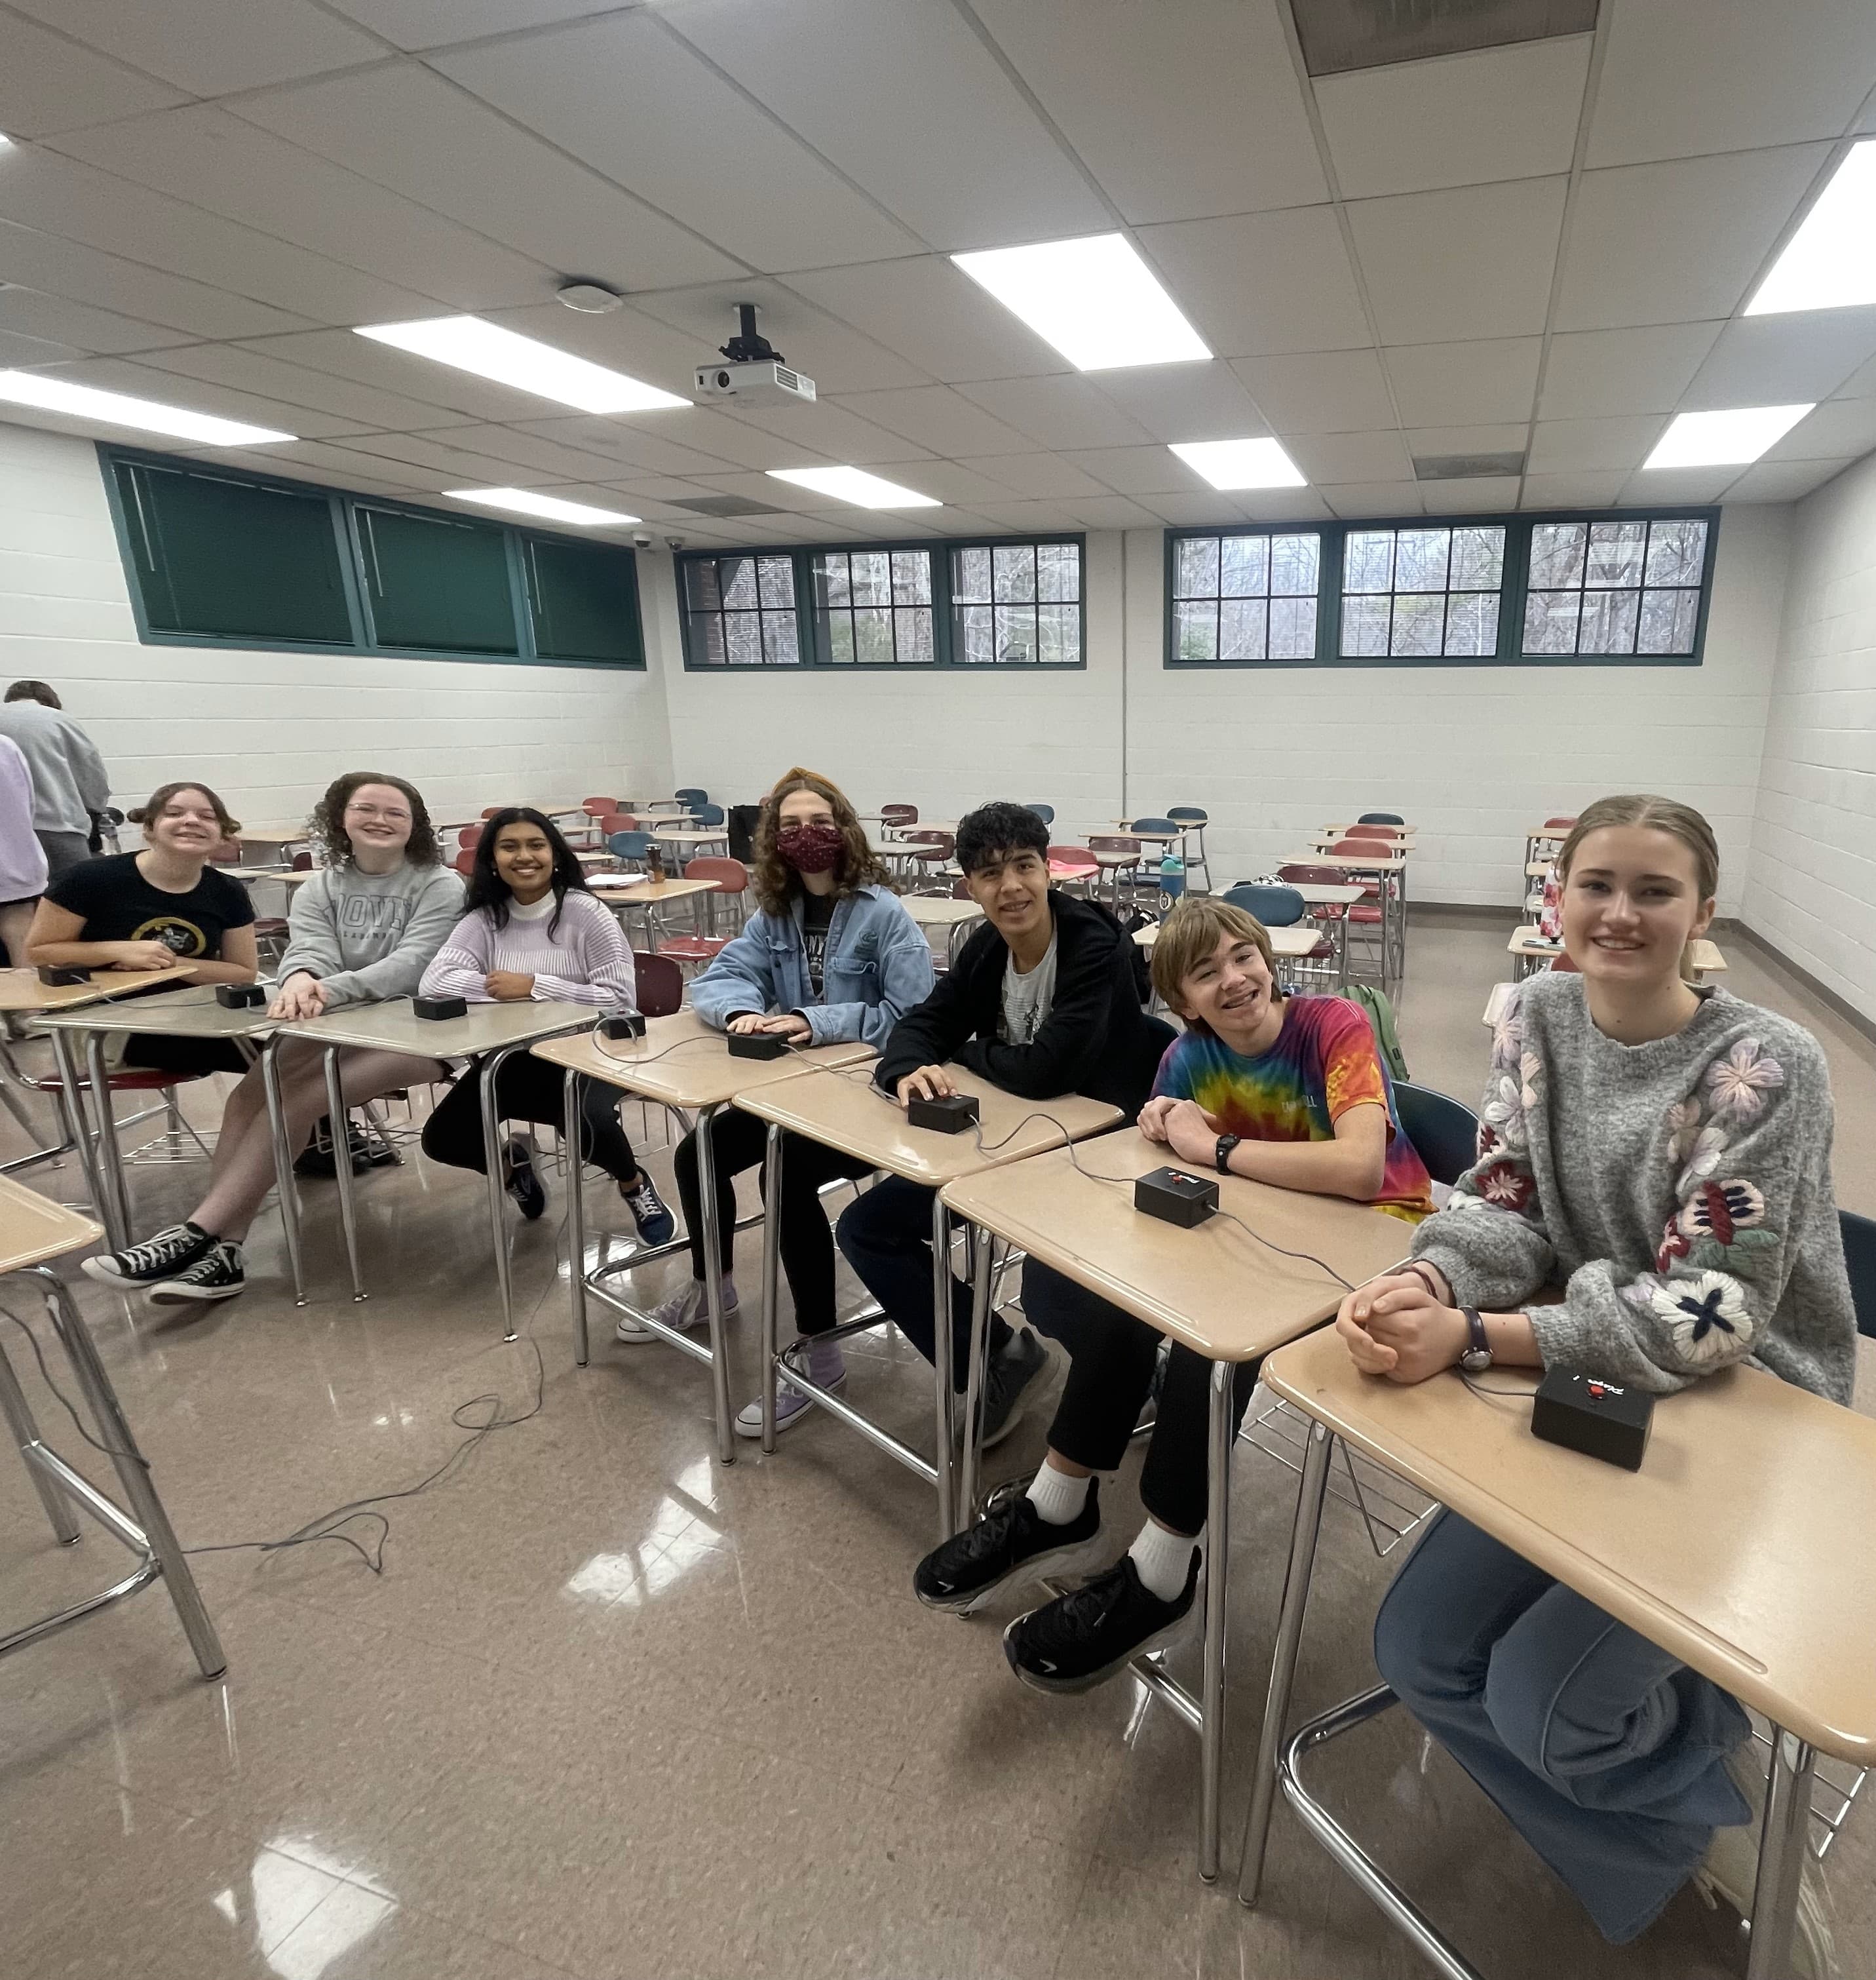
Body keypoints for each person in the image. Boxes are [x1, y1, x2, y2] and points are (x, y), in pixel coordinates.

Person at [1339, 794, 1851, 1970]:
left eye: (1653, 891)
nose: (1619, 913)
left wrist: (1476, 1338)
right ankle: (1680, 1825)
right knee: (1417, 1650)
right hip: (1590, 1378)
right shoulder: (1532, 1014)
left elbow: (1708, 1314)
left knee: (1543, 1706)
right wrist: (1432, 1281)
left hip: (1749, 1414)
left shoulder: (1766, 1066)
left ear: (1702, 915)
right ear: (1555, 902)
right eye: (1596, 887)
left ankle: (1712, 1784)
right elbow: (1505, 1200)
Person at [913, 895, 1434, 1692]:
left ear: (1268, 957)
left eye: (1242, 957)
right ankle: (1059, 1504)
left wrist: (1214, 1147)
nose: (1233, 980)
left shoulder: (1331, 1025)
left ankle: (1163, 1569)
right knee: (1134, 1298)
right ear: (1180, 1000)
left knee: (1208, 1342)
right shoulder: (1188, 1059)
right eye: (1204, 973)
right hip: (1266, 1231)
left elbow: (1361, 1169)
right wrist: (1167, 1133)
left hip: (1373, 1249)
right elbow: (1163, 1163)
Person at [835, 801, 1172, 1447]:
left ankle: (1133, 1363)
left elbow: (1048, 1070)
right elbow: (921, 1025)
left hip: (1098, 1151)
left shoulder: (1093, 946)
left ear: (1049, 871)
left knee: (1050, 1292)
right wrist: (909, 1068)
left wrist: (960, 1054)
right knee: (867, 1229)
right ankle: (996, 1356)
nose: (1010, 886)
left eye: (1023, 866)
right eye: (990, 874)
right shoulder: (987, 946)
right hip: (1007, 1144)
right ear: (971, 887)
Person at [622, 767, 934, 1438]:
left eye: (819, 823)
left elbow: (910, 1015)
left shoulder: (884, 915)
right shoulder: (775, 913)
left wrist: (811, 1021)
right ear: (773, 840)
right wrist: (739, 1010)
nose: (806, 837)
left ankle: (821, 1353)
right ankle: (715, 1285)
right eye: (790, 827)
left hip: (865, 1097)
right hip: (794, 1089)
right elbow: (723, 976)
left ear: (844, 829)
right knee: (699, 1149)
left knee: (784, 1174)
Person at [81, 771, 463, 1304]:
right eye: (365, 809)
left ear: (414, 825)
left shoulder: (440, 883)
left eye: (395, 812)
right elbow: (310, 949)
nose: (379, 820)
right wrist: (300, 977)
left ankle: (192, 1233)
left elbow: (413, 965)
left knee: (303, 1097)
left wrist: (324, 989)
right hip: (336, 1019)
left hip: (421, 1029)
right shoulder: (319, 887)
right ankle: (226, 1249)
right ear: (339, 819)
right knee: (248, 1097)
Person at [417, 807, 673, 1243]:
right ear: (492, 860)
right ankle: (512, 1168)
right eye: (509, 846)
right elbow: (436, 981)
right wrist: (502, 987)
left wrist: (536, 986)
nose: (524, 856)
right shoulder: (486, 918)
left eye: (535, 845)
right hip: (516, 1056)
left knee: (586, 1121)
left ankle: (634, 1185)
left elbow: (618, 998)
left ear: (555, 854)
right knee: (443, 1137)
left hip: (591, 1051)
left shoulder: (585, 912)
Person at [26, 781, 258, 1076]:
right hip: (108, 1026)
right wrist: (117, 950)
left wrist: (168, 962)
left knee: (295, 1053)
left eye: (207, 817)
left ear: (222, 835)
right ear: (149, 829)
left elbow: (242, 971)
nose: (191, 821)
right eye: (174, 813)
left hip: (196, 1014)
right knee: (279, 1061)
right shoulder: (87, 881)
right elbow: (39, 952)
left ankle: (275, 1122)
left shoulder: (227, 890)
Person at [0, 682, 109, 879]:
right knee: (76, 897)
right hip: (57, 827)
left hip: (6, 833)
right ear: (51, 702)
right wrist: (98, 809)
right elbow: (91, 774)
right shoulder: (59, 719)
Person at [0, 735, 47, 967]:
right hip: (15, 862)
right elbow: (29, 804)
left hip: (14, 864)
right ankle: (32, 1005)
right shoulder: (5, 746)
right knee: (21, 942)